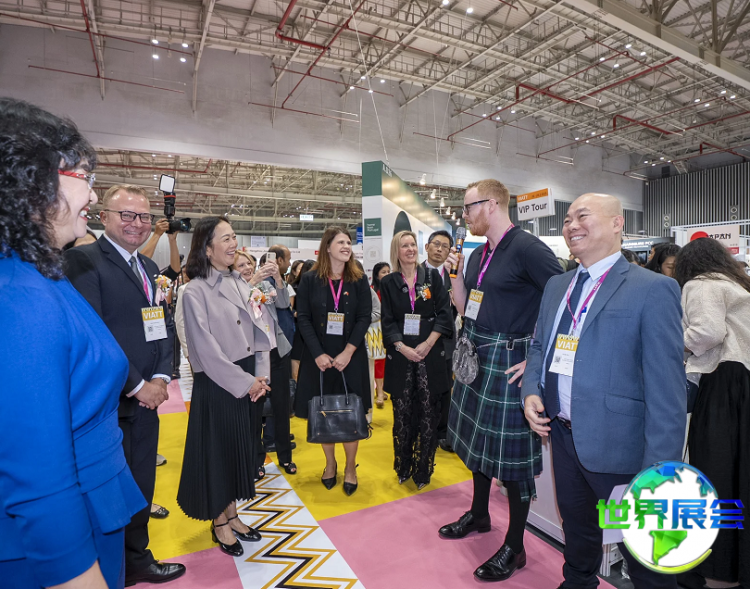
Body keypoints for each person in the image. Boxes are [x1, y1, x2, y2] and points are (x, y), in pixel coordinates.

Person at [0, 98, 146, 589]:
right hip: (64, 541)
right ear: (31, 181)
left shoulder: (42, 276)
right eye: (83, 175)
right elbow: (39, 479)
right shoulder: (20, 297)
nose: (92, 192)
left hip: (91, 506)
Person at [521, 193, 686, 589]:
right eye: (567, 220)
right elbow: (539, 345)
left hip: (622, 448)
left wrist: (659, 472)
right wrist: (530, 389)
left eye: (583, 216)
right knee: (578, 531)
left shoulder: (653, 288)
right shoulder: (557, 286)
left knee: (642, 552)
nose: (571, 225)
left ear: (617, 223)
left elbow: (667, 391)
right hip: (563, 436)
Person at [439, 179, 563, 582]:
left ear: (491, 204)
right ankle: (479, 514)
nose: (464, 216)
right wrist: (455, 275)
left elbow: (565, 303)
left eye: (468, 207)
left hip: (509, 361)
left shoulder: (528, 249)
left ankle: (515, 546)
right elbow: (466, 308)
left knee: (513, 462)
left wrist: (536, 358)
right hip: (477, 355)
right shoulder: (479, 254)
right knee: (477, 446)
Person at [64, 185, 185, 586]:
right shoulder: (84, 260)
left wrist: (162, 377)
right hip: (110, 403)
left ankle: (136, 558)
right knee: (110, 490)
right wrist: (137, 385)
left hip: (150, 399)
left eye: (144, 216)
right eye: (127, 215)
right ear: (104, 217)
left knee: (142, 483)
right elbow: (93, 334)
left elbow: (161, 324)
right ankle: (115, 565)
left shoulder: (148, 268)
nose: (137, 223)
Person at [177, 217, 272, 557]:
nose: (233, 244)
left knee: (237, 451)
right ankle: (219, 521)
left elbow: (259, 328)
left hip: (246, 378)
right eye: (226, 239)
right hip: (220, 381)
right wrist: (246, 382)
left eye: (234, 237)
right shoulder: (194, 291)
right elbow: (204, 350)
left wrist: (261, 377)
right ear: (207, 248)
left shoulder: (239, 282)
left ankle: (232, 513)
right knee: (217, 454)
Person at [674, 237, 750, 589]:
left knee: (714, 471)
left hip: (722, 382)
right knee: (738, 473)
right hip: (741, 382)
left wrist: (670, 343)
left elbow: (707, 331)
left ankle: (715, 565)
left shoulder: (700, 285)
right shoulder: (734, 284)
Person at [295, 227, 371, 496]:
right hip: (319, 358)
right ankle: (330, 463)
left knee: (351, 413)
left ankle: (350, 467)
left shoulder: (359, 279)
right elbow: (303, 318)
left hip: (351, 357)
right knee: (323, 411)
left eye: (349, 242)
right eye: (341, 242)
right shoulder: (309, 279)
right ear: (327, 247)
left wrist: (348, 352)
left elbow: (364, 317)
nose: (347, 246)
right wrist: (317, 354)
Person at [381, 231, 452, 490]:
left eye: (413, 244)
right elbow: (387, 320)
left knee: (428, 414)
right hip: (402, 357)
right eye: (405, 245)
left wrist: (428, 343)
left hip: (429, 355)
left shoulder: (432, 277)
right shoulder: (389, 282)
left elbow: (444, 314)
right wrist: (402, 347)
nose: (410, 249)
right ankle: (403, 467)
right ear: (397, 251)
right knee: (402, 414)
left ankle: (424, 470)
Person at [234, 250, 297, 476]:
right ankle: (256, 459)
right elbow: (236, 312)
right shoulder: (233, 289)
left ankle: (285, 456)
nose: (247, 268)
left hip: (276, 352)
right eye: (241, 265)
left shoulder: (265, 285)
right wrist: (251, 282)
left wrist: (278, 278)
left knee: (282, 407)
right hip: (252, 356)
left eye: (249, 263)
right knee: (255, 410)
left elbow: (283, 304)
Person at [422, 229, 456, 452]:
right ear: (427, 247)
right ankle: (423, 429)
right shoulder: (414, 273)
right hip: (420, 340)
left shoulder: (454, 276)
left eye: (445, 246)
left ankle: (443, 432)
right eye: (436, 244)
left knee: (445, 387)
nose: (439, 249)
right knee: (422, 387)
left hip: (446, 341)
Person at [371, 261, 391, 407]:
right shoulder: (372, 290)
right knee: (378, 361)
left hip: (391, 328)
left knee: (388, 362)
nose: (387, 274)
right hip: (376, 329)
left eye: (389, 271)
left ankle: (383, 390)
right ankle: (379, 392)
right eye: (383, 272)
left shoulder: (393, 289)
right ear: (376, 275)